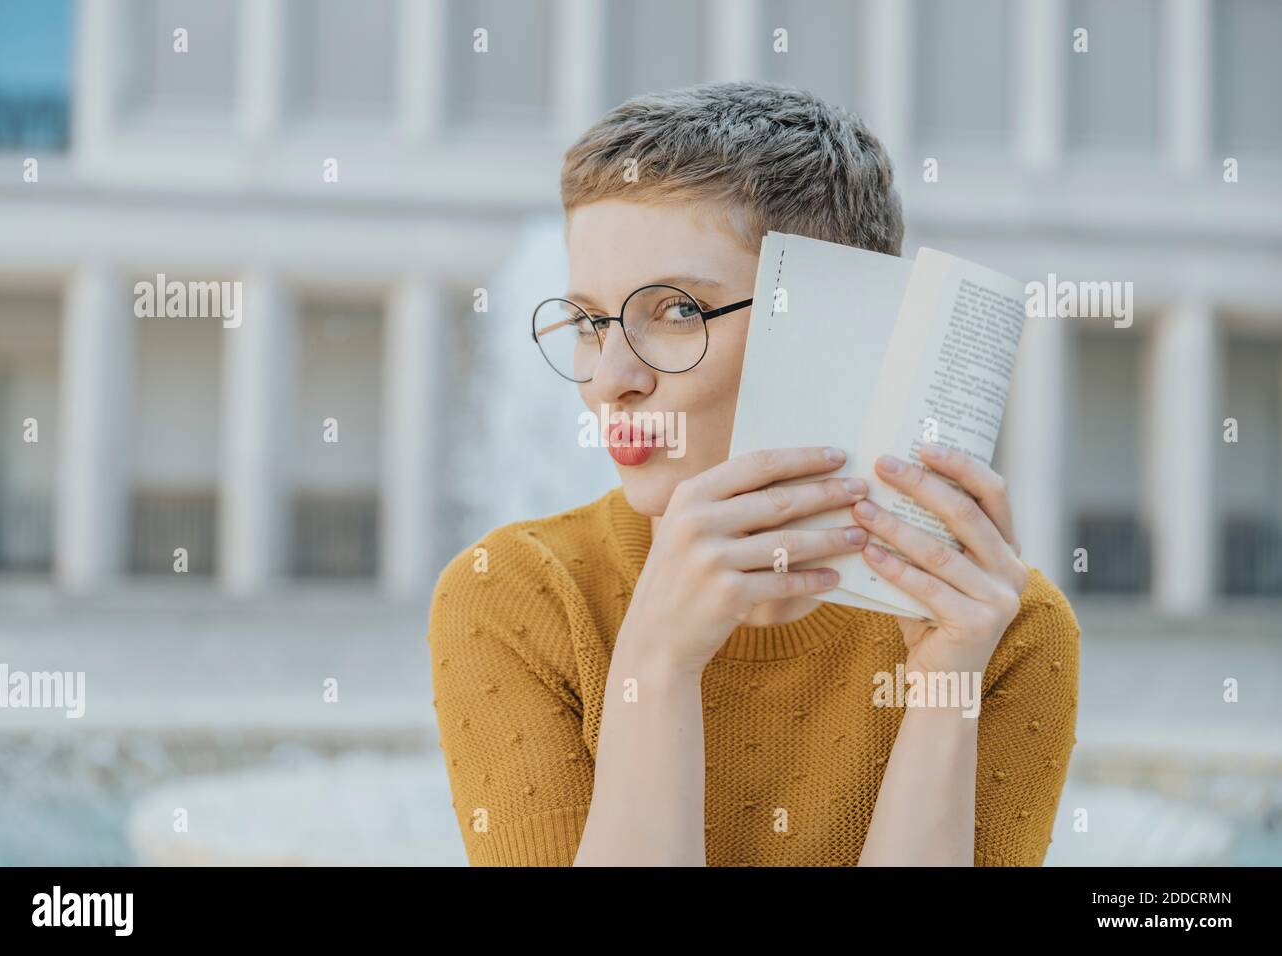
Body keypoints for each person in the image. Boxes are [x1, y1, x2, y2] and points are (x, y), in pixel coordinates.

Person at [427, 81, 1079, 866]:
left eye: (676, 312)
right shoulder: (514, 596)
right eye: (589, 322)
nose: (608, 379)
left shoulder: (1004, 628)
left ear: (842, 323)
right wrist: (656, 664)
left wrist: (943, 694)